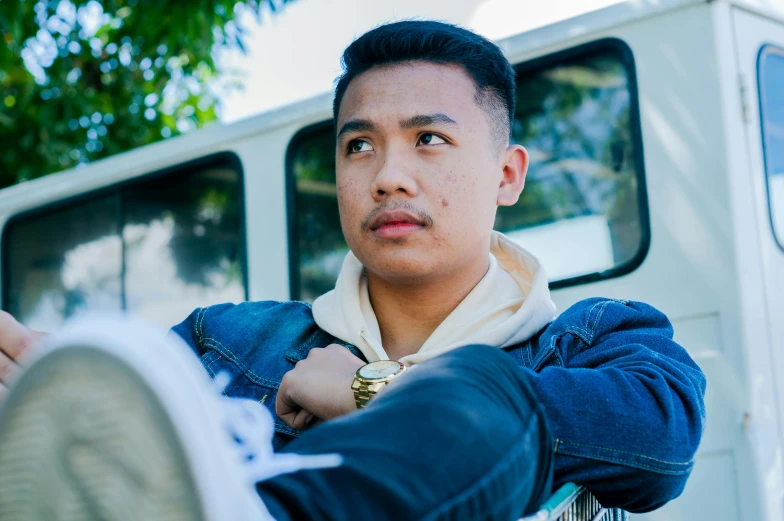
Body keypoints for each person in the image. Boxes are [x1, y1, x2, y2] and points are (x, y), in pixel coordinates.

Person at [0, 20, 706, 521]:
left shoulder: (593, 340)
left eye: (429, 139)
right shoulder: (230, 343)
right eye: (359, 145)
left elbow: (663, 441)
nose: (389, 176)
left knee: (492, 392)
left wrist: (373, 390)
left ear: (507, 173)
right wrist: (53, 397)